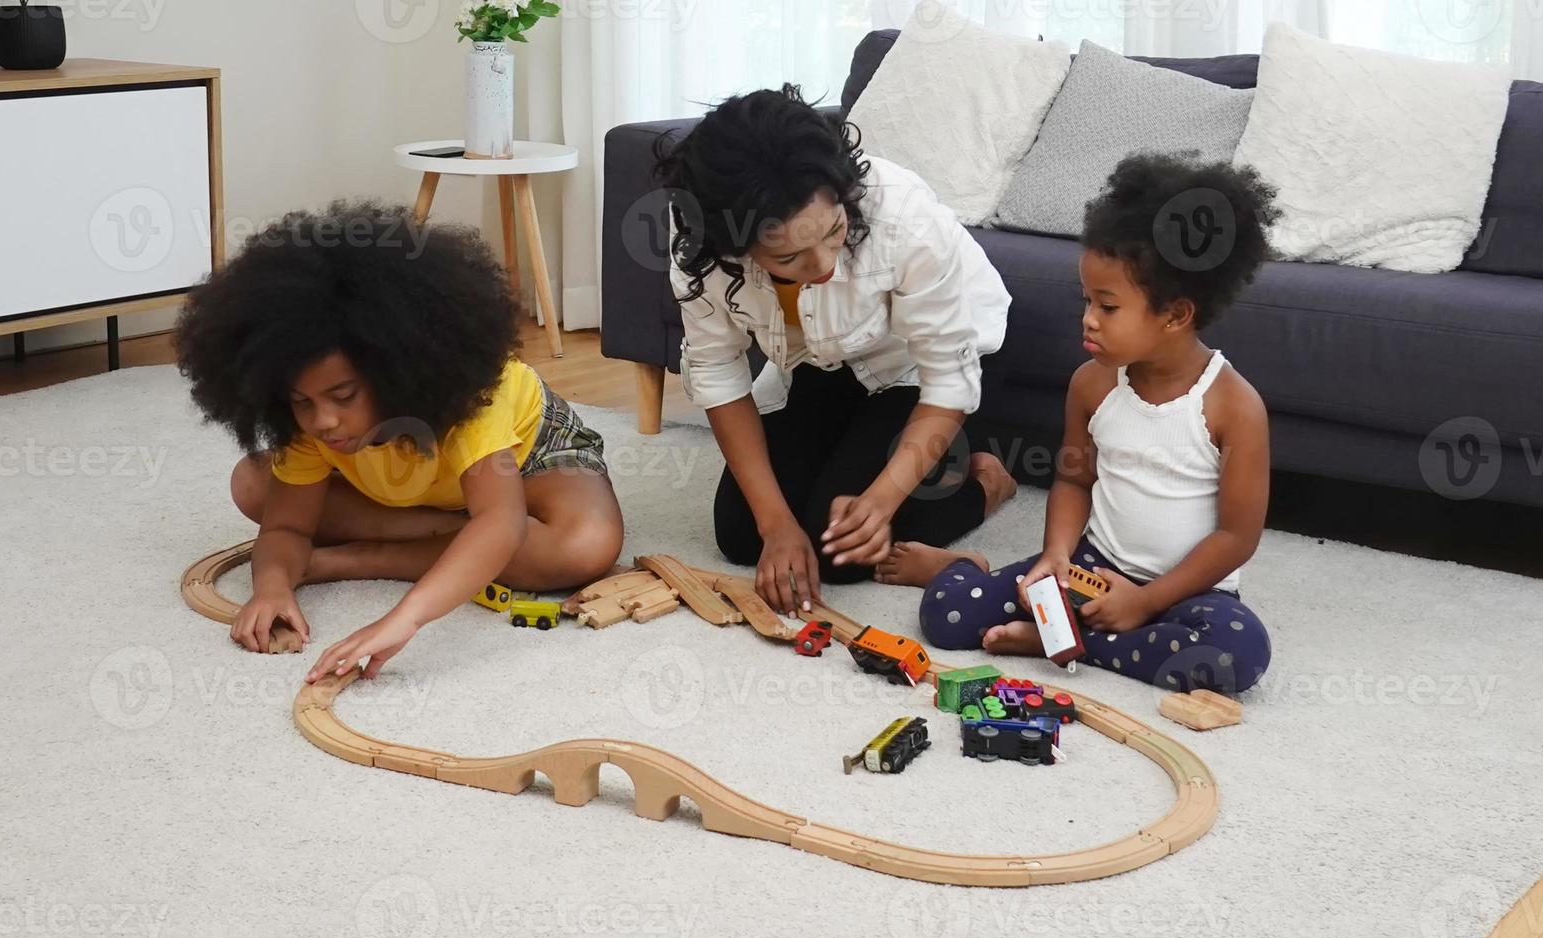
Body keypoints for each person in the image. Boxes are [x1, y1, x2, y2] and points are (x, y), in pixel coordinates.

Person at [876, 154, 1281, 694]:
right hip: (1089, 567)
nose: (1088, 317)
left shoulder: (1235, 406)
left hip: (1186, 592)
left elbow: (1236, 536)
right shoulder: (1091, 385)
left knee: (1237, 652)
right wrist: (1056, 557)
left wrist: (1146, 600)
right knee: (948, 617)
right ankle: (966, 567)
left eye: (1108, 306)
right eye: (1087, 299)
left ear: (1176, 315)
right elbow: (1073, 480)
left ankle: (1063, 640)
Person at [175, 201, 624, 682]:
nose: (323, 420)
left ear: (397, 369)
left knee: (587, 545)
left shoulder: (470, 394)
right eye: (301, 402)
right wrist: (270, 586)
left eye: (343, 395)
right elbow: (285, 529)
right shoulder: (309, 422)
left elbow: (501, 520)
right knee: (252, 484)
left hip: (528, 459)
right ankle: (447, 531)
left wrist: (403, 617)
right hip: (413, 494)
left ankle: (362, 556)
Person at [654, 84, 1017, 618]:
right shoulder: (701, 241)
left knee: (840, 550)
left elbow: (947, 377)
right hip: (821, 364)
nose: (823, 264)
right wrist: (775, 524)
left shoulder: (904, 216)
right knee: (741, 534)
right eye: (790, 256)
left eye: (834, 230)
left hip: (923, 363)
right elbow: (716, 368)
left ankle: (986, 481)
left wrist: (882, 501)